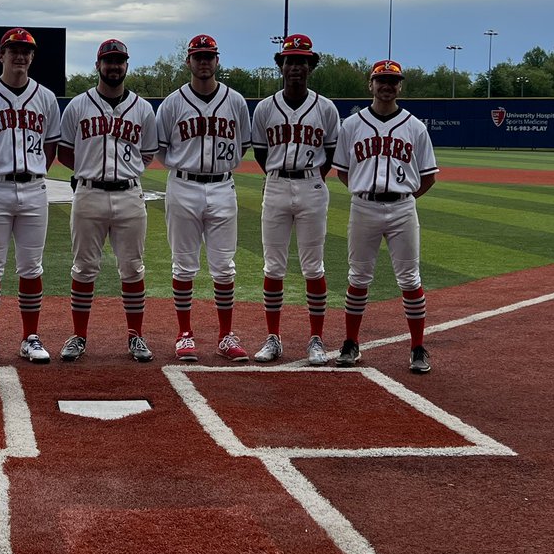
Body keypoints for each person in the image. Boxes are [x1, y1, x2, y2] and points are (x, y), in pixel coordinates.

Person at [331, 59, 438, 374]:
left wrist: (403, 197)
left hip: (402, 207)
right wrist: (367, 192)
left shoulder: (415, 126)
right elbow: (342, 172)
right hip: (364, 206)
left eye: (393, 81)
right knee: (358, 277)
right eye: (382, 80)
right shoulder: (351, 125)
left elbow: (429, 176)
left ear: (400, 86)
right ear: (371, 84)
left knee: (410, 279)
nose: (387, 86)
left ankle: (418, 347)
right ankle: (351, 343)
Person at [56, 38, 159, 362]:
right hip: (89, 193)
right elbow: (65, 152)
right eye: (108, 60)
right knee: (84, 268)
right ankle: (79, 336)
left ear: (126, 65)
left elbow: (148, 152)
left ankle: (135, 337)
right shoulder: (78, 106)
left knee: (132, 268)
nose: (114, 66)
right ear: (98, 65)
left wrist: (124, 171)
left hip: (129, 194)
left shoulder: (142, 108)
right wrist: (91, 170)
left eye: (119, 61)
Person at [155, 34, 252, 362]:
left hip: (223, 185)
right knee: (183, 265)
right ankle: (184, 334)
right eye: (198, 56)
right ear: (189, 62)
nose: (204, 62)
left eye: (209, 56)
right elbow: (162, 148)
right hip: (183, 186)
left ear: (217, 60)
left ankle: (226, 336)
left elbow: (242, 145)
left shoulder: (235, 101)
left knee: (224, 267)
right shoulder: (172, 103)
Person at [0, 27, 63, 365]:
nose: (20, 56)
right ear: (1, 55)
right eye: (13, 50)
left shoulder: (46, 97)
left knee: (31, 266)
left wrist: (36, 169)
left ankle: (30, 337)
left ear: (32, 57)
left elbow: (50, 145)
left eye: (26, 51)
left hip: (34, 186)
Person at [249, 34, 341, 364]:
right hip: (275, 185)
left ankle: (316, 338)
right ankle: (273, 337)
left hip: (312, 186)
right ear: (281, 66)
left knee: (313, 266)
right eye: (290, 61)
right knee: (273, 266)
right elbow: (261, 152)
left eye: (302, 61)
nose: (296, 67)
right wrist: (279, 175)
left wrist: (309, 176)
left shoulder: (326, 108)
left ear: (310, 67)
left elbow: (330, 154)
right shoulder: (264, 108)